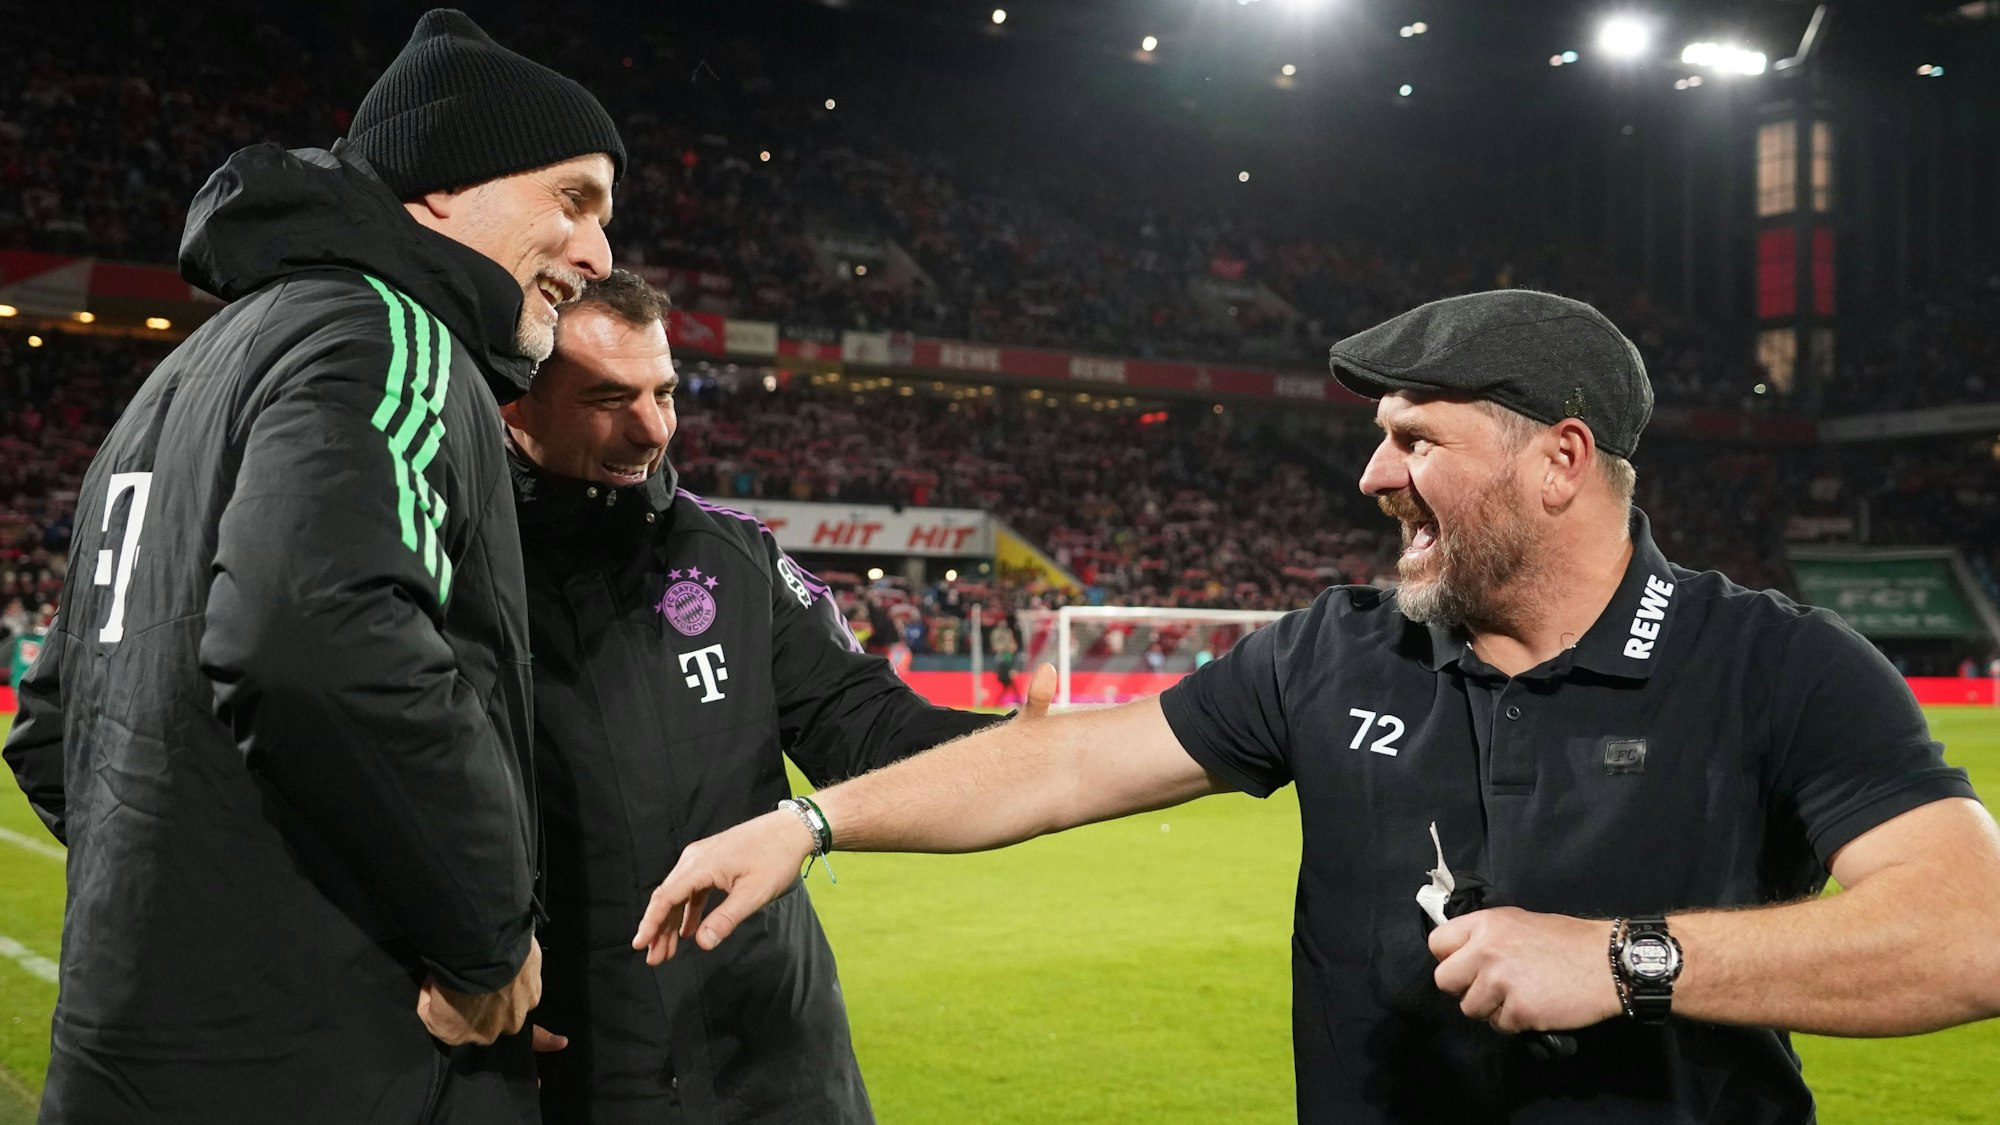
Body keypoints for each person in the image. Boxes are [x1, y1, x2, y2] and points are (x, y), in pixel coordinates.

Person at [632, 290, 2000, 1124]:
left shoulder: (1779, 665)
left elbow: (1973, 932)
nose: (1372, 474)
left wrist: (1635, 959)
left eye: (1416, 439)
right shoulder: (1330, 652)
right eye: (1377, 434)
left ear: (1562, 462)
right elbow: (1058, 765)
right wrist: (810, 826)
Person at [2, 10, 623, 1121]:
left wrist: (227, 914)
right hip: (337, 1070)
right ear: (439, 186)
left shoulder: (177, 384)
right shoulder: (394, 338)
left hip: (129, 1060)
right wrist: (477, 940)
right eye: (570, 199)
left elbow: (55, 726)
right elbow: (311, 634)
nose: (598, 255)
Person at [499, 270, 1042, 1123]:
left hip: (781, 1064)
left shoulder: (732, 559)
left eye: (665, 392)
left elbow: (863, 720)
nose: (651, 428)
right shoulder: (462, 566)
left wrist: (1018, 744)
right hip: (581, 1070)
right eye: (609, 397)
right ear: (514, 404)